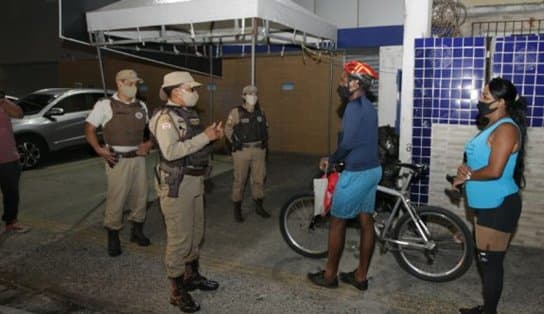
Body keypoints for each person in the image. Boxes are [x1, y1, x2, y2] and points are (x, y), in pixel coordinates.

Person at [150, 71, 223, 313]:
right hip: (176, 185)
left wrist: (210, 137)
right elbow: (170, 152)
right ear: (176, 92)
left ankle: (192, 277)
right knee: (179, 239)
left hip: (194, 182)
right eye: (190, 89)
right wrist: (205, 137)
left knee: (195, 233)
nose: (195, 93)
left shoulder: (188, 115)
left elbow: (193, 146)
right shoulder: (164, 119)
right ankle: (176, 291)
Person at [307, 61, 382, 291]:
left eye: (344, 78)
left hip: (357, 173)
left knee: (337, 222)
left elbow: (348, 143)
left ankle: (329, 276)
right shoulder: (369, 106)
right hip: (373, 170)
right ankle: (360, 277)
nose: (340, 81)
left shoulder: (353, 107)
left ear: (355, 83)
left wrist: (331, 159)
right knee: (366, 220)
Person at [455, 78, 526, 314]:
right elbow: (478, 159)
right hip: (486, 204)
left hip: (498, 204)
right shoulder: (492, 125)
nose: (480, 100)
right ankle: (487, 308)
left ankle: (489, 312)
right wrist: (465, 168)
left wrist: (466, 177)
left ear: (502, 102)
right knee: (486, 261)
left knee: (491, 263)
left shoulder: (506, 129)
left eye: (486, 96)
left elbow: (495, 170)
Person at [84, 69, 153, 257]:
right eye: (129, 83)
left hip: (138, 159)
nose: (134, 87)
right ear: (119, 83)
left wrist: (149, 143)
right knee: (117, 198)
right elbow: (89, 128)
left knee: (141, 196)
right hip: (117, 160)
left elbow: (150, 130)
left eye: (136, 83)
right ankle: (113, 235)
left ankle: (136, 231)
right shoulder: (105, 105)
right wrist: (99, 149)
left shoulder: (142, 106)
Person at [224, 85, 269, 222]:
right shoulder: (236, 112)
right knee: (240, 180)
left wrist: (265, 144)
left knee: (259, 179)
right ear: (243, 96)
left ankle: (259, 206)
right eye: (249, 94)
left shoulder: (261, 111)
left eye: (255, 93)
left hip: (258, 150)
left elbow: (266, 128)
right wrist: (234, 142)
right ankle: (237, 209)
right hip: (242, 151)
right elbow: (228, 128)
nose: (253, 96)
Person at [0, 91, 30, 233]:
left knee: (11, 192)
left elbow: (19, 114)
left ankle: (11, 222)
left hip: (8, 157)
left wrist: (3, 101)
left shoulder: (4, 104)